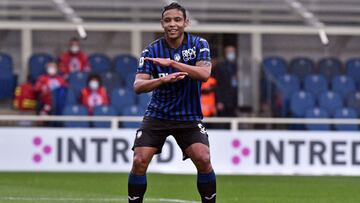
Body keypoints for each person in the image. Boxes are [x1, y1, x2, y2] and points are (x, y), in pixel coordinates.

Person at [128, 3, 216, 203]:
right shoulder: (151, 51)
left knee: (203, 159)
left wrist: (173, 63)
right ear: (162, 24)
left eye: (177, 19)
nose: (172, 24)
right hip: (157, 115)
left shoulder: (199, 44)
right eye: (167, 20)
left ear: (186, 22)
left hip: (188, 116)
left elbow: (204, 74)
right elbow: (138, 85)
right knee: (139, 161)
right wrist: (161, 80)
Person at [213, 45, 238, 117]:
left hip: (235, 99)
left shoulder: (238, 65)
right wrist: (219, 101)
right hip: (224, 99)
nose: (231, 53)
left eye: (233, 52)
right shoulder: (221, 66)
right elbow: (217, 85)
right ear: (225, 53)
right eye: (229, 52)